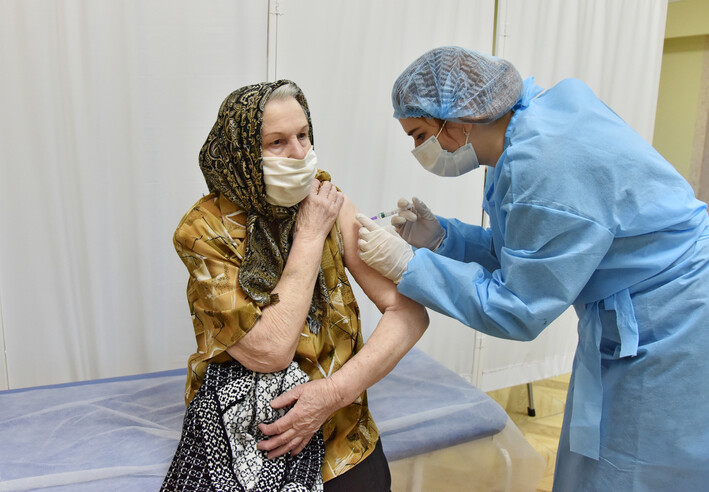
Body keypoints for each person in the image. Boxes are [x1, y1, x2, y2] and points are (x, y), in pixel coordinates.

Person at [356, 46, 709, 491]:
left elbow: (518, 306)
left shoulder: (546, 164)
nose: (421, 150)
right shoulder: (535, 124)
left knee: (641, 465)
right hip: (642, 304)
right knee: (599, 458)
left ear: (462, 118)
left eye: (421, 134)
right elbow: (527, 255)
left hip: (675, 318)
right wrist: (444, 239)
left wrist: (410, 266)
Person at [168, 80, 428, 491]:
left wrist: (333, 393)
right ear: (242, 152)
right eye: (277, 142)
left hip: (345, 437)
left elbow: (409, 314)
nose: (300, 152)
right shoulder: (204, 230)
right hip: (251, 445)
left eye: (303, 135)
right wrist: (309, 237)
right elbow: (269, 350)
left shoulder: (323, 195)